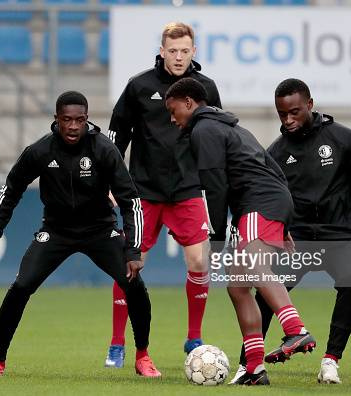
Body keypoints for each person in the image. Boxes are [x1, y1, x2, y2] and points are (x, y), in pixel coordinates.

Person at [0, 91, 161, 378]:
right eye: (67, 120)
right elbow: (11, 189)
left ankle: (142, 356)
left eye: (80, 120)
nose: (74, 126)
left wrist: (133, 250)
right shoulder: (40, 151)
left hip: (100, 231)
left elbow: (130, 200)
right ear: (56, 120)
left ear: (87, 119)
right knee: (21, 286)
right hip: (56, 231)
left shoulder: (103, 149)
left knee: (134, 285)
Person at [239, 78, 351, 384]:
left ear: (310, 105)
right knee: (267, 294)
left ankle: (330, 361)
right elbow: (268, 198)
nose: (288, 120)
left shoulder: (343, 139)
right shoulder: (276, 152)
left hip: (340, 235)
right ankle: (249, 365)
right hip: (297, 239)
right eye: (282, 114)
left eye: (294, 112)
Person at [164, 77, 316, 386]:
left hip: (258, 202)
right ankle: (255, 369)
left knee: (253, 267)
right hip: (266, 202)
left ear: (189, 103)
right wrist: (282, 221)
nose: (172, 117)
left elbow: (215, 186)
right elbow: (273, 167)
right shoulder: (230, 127)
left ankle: (296, 330)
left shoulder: (204, 131)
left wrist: (217, 236)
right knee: (237, 286)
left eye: (173, 109)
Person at [104, 22, 222, 367]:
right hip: (144, 191)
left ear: (194, 52)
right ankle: (116, 343)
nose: (179, 57)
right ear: (162, 50)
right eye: (173, 51)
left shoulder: (207, 89)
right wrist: (112, 181)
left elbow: (216, 135)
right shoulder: (140, 86)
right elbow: (116, 135)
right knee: (129, 265)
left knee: (200, 261)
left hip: (187, 189)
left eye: (185, 51)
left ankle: (194, 337)